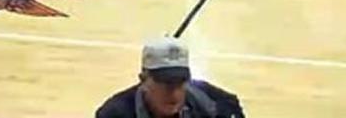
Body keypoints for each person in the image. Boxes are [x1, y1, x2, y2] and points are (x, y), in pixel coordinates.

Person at [95, 37, 244, 118]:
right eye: (164, 83)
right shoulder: (113, 114)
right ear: (143, 80)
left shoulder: (218, 105)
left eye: (180, 83)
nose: (174, 93)